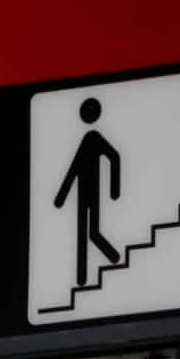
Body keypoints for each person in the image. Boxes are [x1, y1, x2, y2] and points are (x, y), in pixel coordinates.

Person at [53, 97, 122, 287]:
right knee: (83, 234)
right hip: (82, 194)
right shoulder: (88, 139)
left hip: (92, 192)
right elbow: (74, 169)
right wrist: (62, 197)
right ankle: (81, 278)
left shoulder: (94, 138)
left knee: (92, 232)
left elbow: (114, 157)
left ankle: (114, 257)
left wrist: (114, 190)